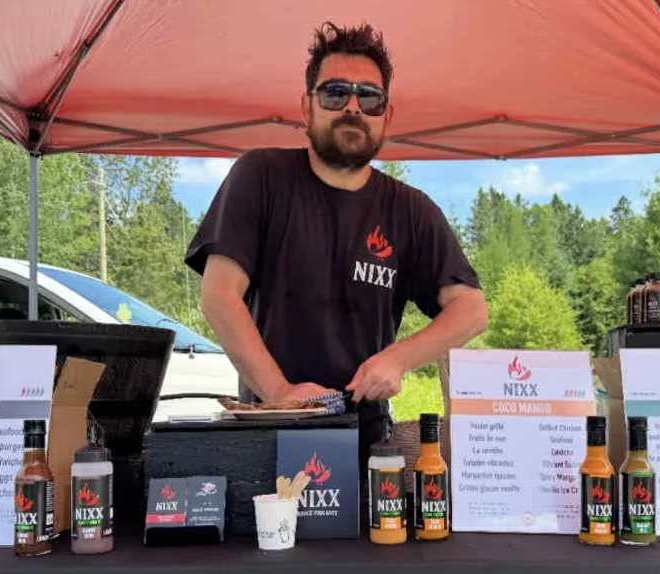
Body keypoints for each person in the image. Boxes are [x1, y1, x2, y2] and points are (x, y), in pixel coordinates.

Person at [184, 21, 487, 466]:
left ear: (387, 114)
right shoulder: (260, 177)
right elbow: (218, 296)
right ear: (305, 108)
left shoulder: (411, 210)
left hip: (365, 444)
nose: (352, 106)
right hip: (269, 434)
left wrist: (398, 359)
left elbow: (471, 309)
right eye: (334, 93)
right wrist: (282, 394)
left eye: (369, 96)